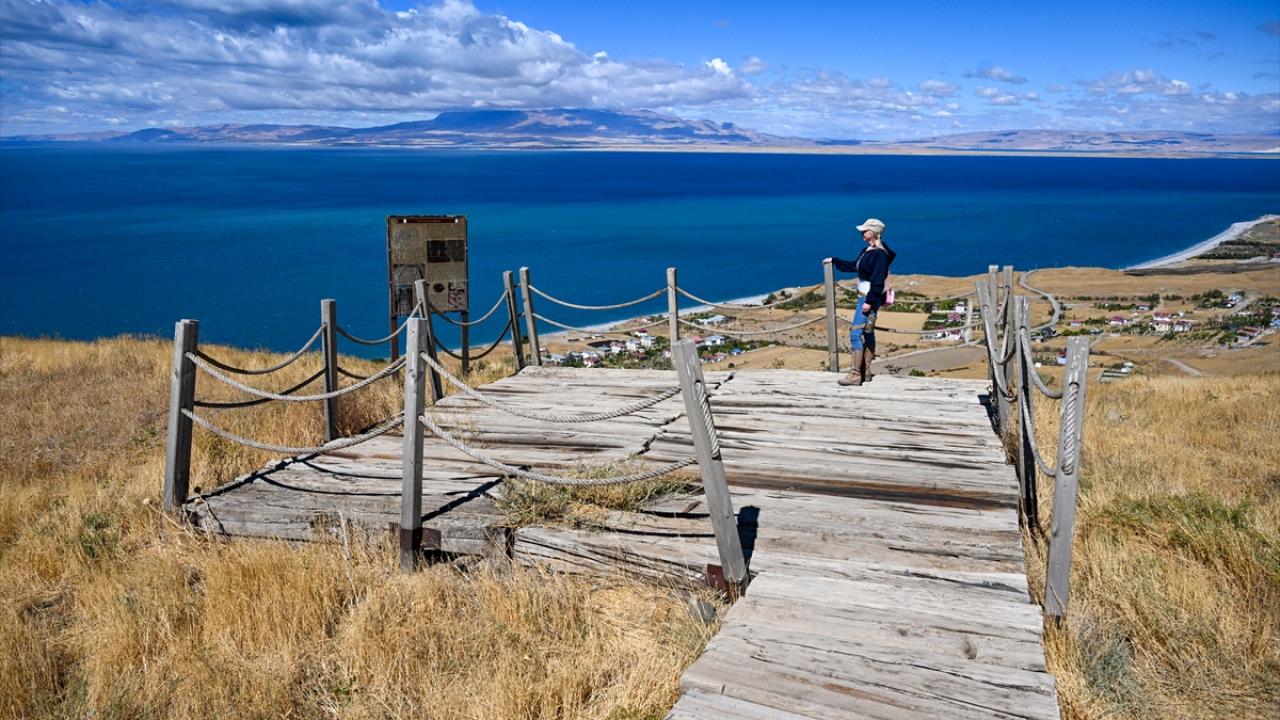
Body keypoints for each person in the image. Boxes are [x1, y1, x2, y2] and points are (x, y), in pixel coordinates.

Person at [827, 218, 896, 386]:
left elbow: (878, 280)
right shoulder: (868, 250)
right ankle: (865, 373)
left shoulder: (878, 254)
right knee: (867, 332)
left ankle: (855, 374)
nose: (861, 233)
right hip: (866, 298)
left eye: (864, 231)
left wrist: (869, 301)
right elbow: (854, 266)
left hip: (867, 299)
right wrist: (835, 261)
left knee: (855, 333)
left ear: (872, 233)